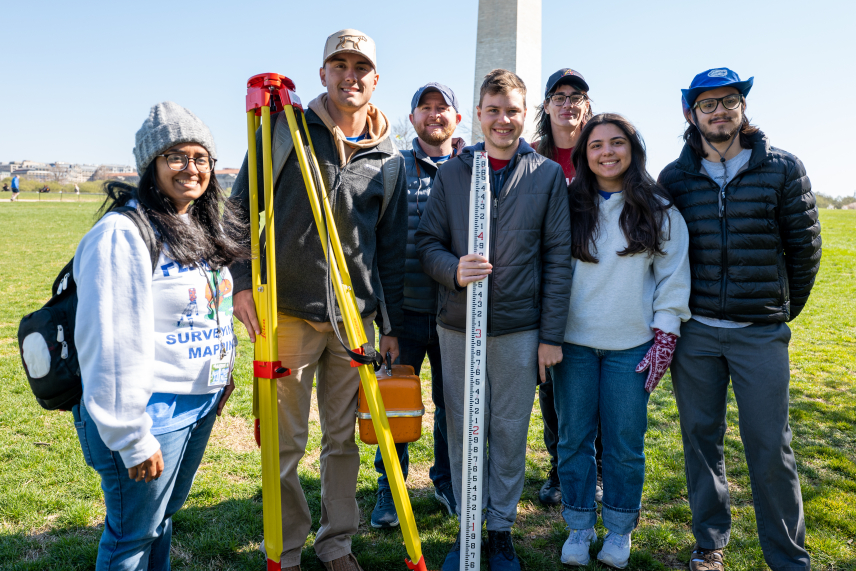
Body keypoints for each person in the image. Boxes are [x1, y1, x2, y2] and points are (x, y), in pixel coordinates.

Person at [230, 29, 406, 571]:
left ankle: (336, 545)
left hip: (356, 321)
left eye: (360, 67)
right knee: (283, 445)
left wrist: (391, 324)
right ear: (323, 73)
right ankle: (283, 549)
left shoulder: (389, 156)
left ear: (375, 80)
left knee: (342, 442)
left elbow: (392, 247)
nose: (350, 75)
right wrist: (240, 283)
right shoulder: (283, 128)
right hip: (286, 312)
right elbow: (240, 209)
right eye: (339, 65)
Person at [658, 68, 821, 571]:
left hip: (760, 334)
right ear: (691, 114)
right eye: (708, 104)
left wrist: (777, 312)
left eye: (729, 101)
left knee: (771, 447)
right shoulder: (675, 177)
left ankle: (788, 557)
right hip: (698, 333)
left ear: (743, 108)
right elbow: (664, 255)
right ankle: (709, 545)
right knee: (701, 442)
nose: (720, 111)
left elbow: (805, 248)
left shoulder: (781, 168)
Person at [72, 101, 246, 570]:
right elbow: (108, 342)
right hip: (149, 412)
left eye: (200, 158)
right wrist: (131, 436)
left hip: (198, 403)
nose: (191, 168)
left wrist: (220, 376)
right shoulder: (123, 233)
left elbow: (212, 309)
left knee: (161, 520)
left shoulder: (199, 224)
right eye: (176, 157)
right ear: (151, 164)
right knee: (132, 536)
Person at [417, 68, 572, 571]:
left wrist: (550, 336)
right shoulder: (454, 171)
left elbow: (557, 259)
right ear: (479, 114)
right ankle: (467, 527)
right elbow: (427, 245)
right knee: (463, 428)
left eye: (512, 111)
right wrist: (453, 270)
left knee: (507, 430)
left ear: (526, 115)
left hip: (520, 330)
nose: (503, 120)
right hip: (459, 326)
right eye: (494, 110)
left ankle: (501, 530)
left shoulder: (546, 175)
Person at [553, 113, 691, 569]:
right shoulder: (566, 204)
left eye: (616, 143)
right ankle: (578, 526)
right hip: (572, 345)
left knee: (624, 444)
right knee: (573, 440)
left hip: (630, 346)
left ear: (632, 149)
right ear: (583, 154)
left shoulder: (658, 209)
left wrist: (665, 336)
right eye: (596, 145)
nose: (606, 152)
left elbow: (672, 278)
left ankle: (618, 530)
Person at [370, 82, 463, 529]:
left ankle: (446, 482)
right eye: (424, 108)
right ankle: (390, 488)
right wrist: (384, 321)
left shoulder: (472, 169)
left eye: (441, 107)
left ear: (457, 119)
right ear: (412, 120)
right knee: (393, 404)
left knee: (452, 406)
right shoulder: (393, 167)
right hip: (401, 317)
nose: (433, 115)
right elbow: (378, 243)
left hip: (455, 316)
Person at [530, 67, 603, 507]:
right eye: (559, 95)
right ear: (546, 105)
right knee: (552, 389)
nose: (568, 102)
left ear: (587, 106)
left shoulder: (600, 154)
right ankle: (559, 469)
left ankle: (593, 470)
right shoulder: (533, 157)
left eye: (576, 95)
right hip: (546, 291)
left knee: (593, 391)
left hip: (598, 289)